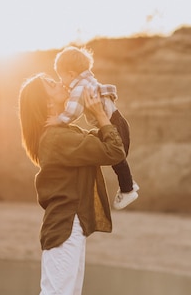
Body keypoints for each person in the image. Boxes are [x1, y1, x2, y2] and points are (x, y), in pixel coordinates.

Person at [0, 73, 126, 295]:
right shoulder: (55, 137)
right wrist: (100, 116)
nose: (62, 85)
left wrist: (102, 115)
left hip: (72, 225)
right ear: (47, 103)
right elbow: (114, 150)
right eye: (53, 86)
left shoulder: (61, 134)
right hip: (64, 226)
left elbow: (112, 144)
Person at [47, 45, 139, 210]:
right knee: (117, 156)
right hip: (117, 120)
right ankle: (129, 184)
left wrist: (59, 120)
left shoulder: (79, 88)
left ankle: (128, 189)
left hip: (112, 124)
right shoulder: (89, 81)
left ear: (70, 74)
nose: (62, 83)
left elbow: (74, 111)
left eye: (61, 78)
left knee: (117, 157)